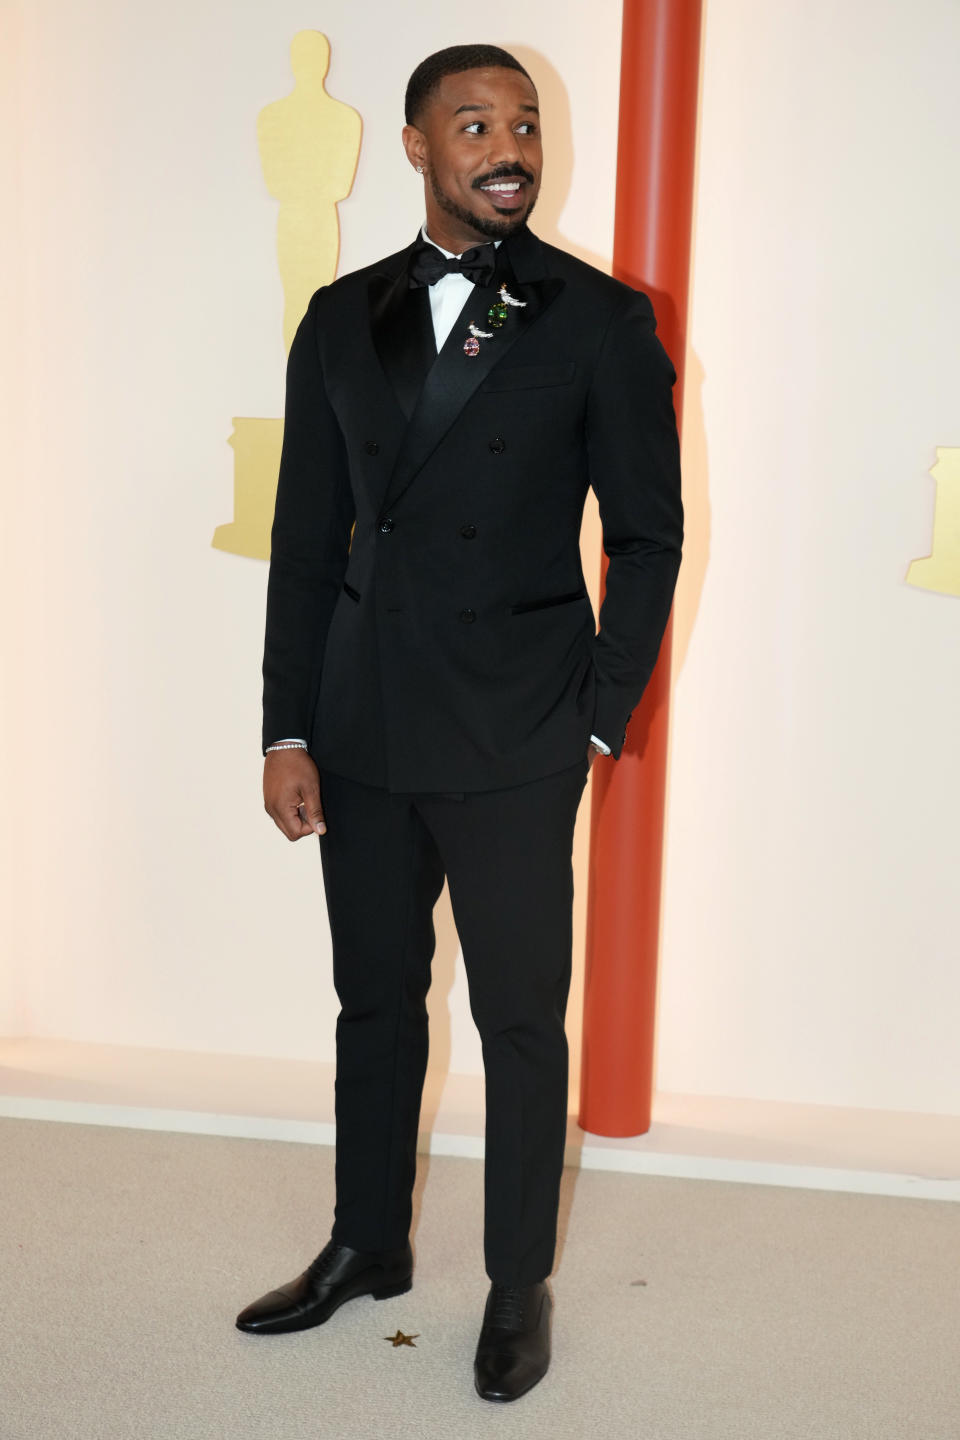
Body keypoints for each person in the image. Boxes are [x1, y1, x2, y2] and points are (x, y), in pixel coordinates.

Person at [235, 43, 683, 1403]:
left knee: (520, 1022)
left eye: (526, 123)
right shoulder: (341, 315)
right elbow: (305, 541)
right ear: (420, 148)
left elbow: (649, 539)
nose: (510, 147)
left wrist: (601, 718)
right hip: (362, 724)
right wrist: (285, 728)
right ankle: (367, 1242)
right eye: (476, 123)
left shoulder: (598, 320)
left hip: (515, 729)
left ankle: (515, 1287)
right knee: (372, 1001)